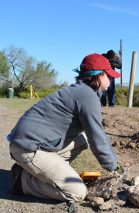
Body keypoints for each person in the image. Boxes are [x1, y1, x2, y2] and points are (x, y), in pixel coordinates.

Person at [8, 53, 124, 206]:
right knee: (77, 192)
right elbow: (97, 137)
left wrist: (112, 162)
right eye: (108, 75)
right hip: (27, 148)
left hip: (27, 143)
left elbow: (97, 135)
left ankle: (48, 172)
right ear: (98, 76)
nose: (111, 79)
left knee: (82, 140)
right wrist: (112, 166)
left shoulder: (81, 91)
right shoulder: (87, 96)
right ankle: (23, 181)